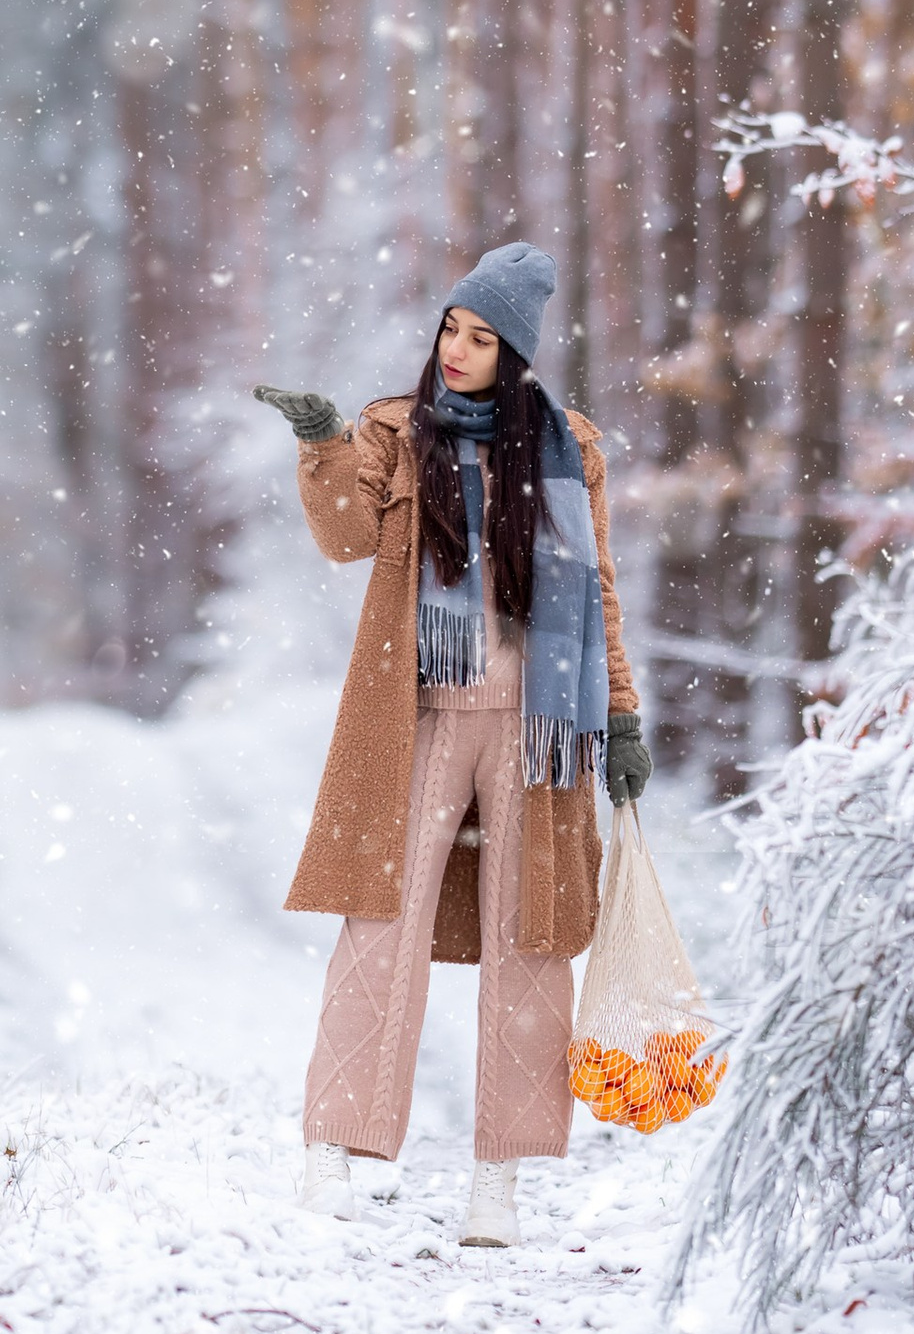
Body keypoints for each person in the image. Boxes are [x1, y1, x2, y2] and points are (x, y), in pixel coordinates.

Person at [255, 241, 649, 1251]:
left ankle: (498, 1182)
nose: (459, 349)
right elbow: (345, 533)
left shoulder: (569, 449)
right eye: (451, 327)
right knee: (377, 927)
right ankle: (329, 1150)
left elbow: (595, 587)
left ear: (515, 354)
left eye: (483, 336)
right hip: (418, 722)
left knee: (531, 943)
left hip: (537, 734)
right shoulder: (396, 434)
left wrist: (623, 712)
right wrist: (320, 444)